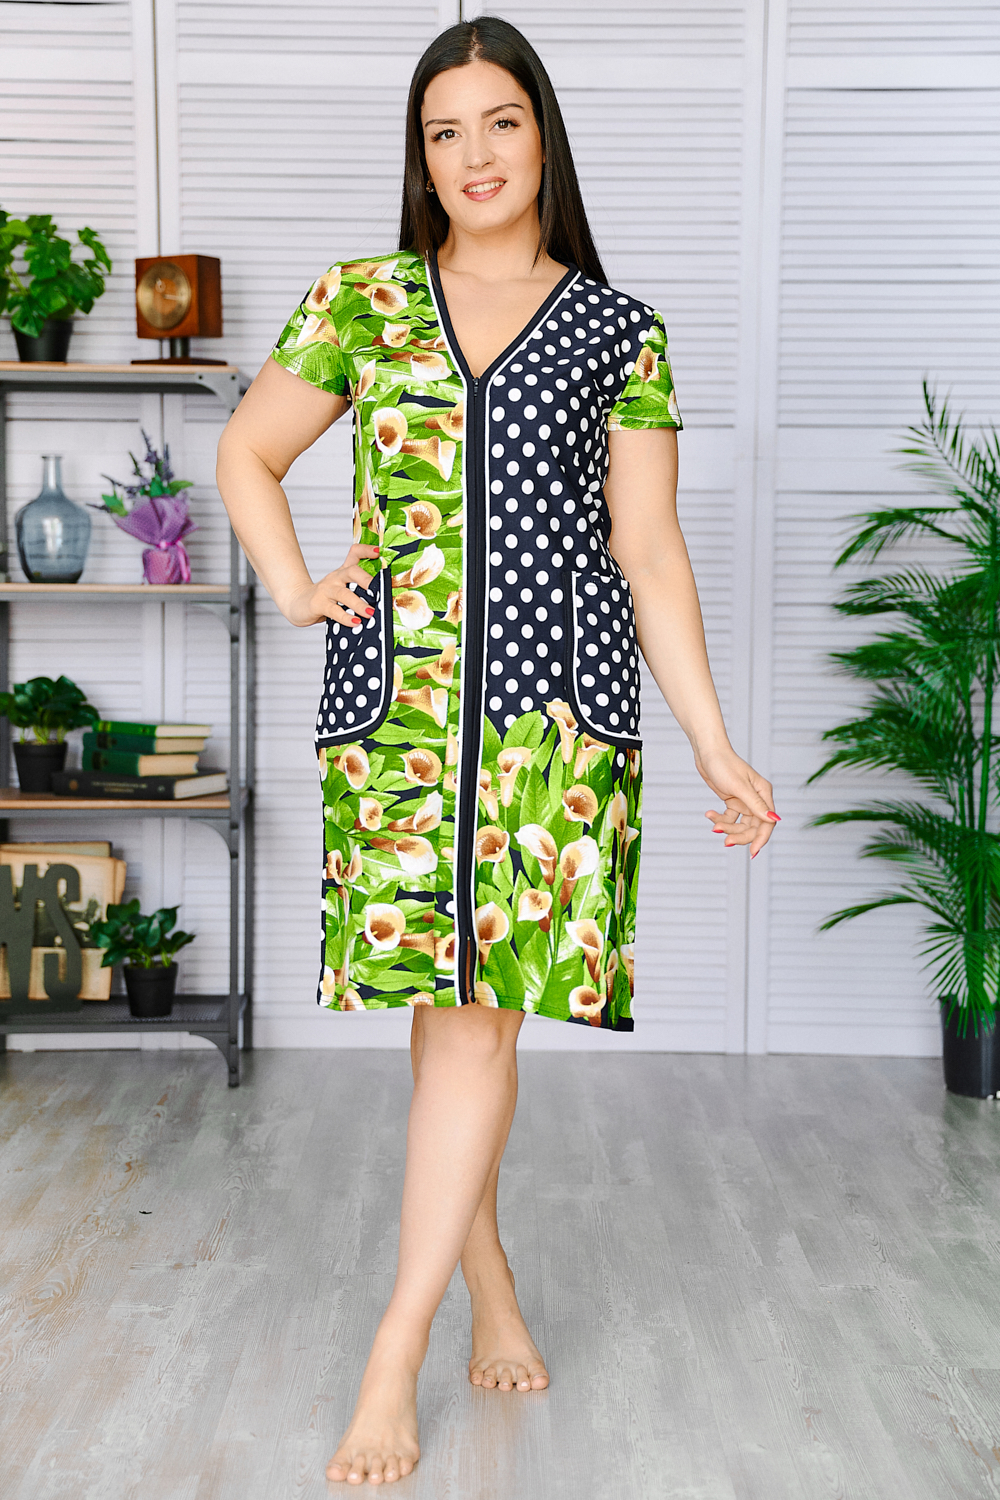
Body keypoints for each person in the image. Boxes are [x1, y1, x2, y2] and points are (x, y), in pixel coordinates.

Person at [217, 15, 777, 1487]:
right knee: (448, 1020)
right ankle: (493, 1291)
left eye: (500, 122)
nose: (474, 155)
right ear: (422, 157)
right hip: (397, 723)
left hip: (552, 733)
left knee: (480, 1026)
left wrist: (713, 743)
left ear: (544, 136)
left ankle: (392, 1352)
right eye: (444, 131)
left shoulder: (618, 330)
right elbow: (247, 451)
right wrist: (297, 584)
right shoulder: (362, 300)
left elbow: (650, 550)